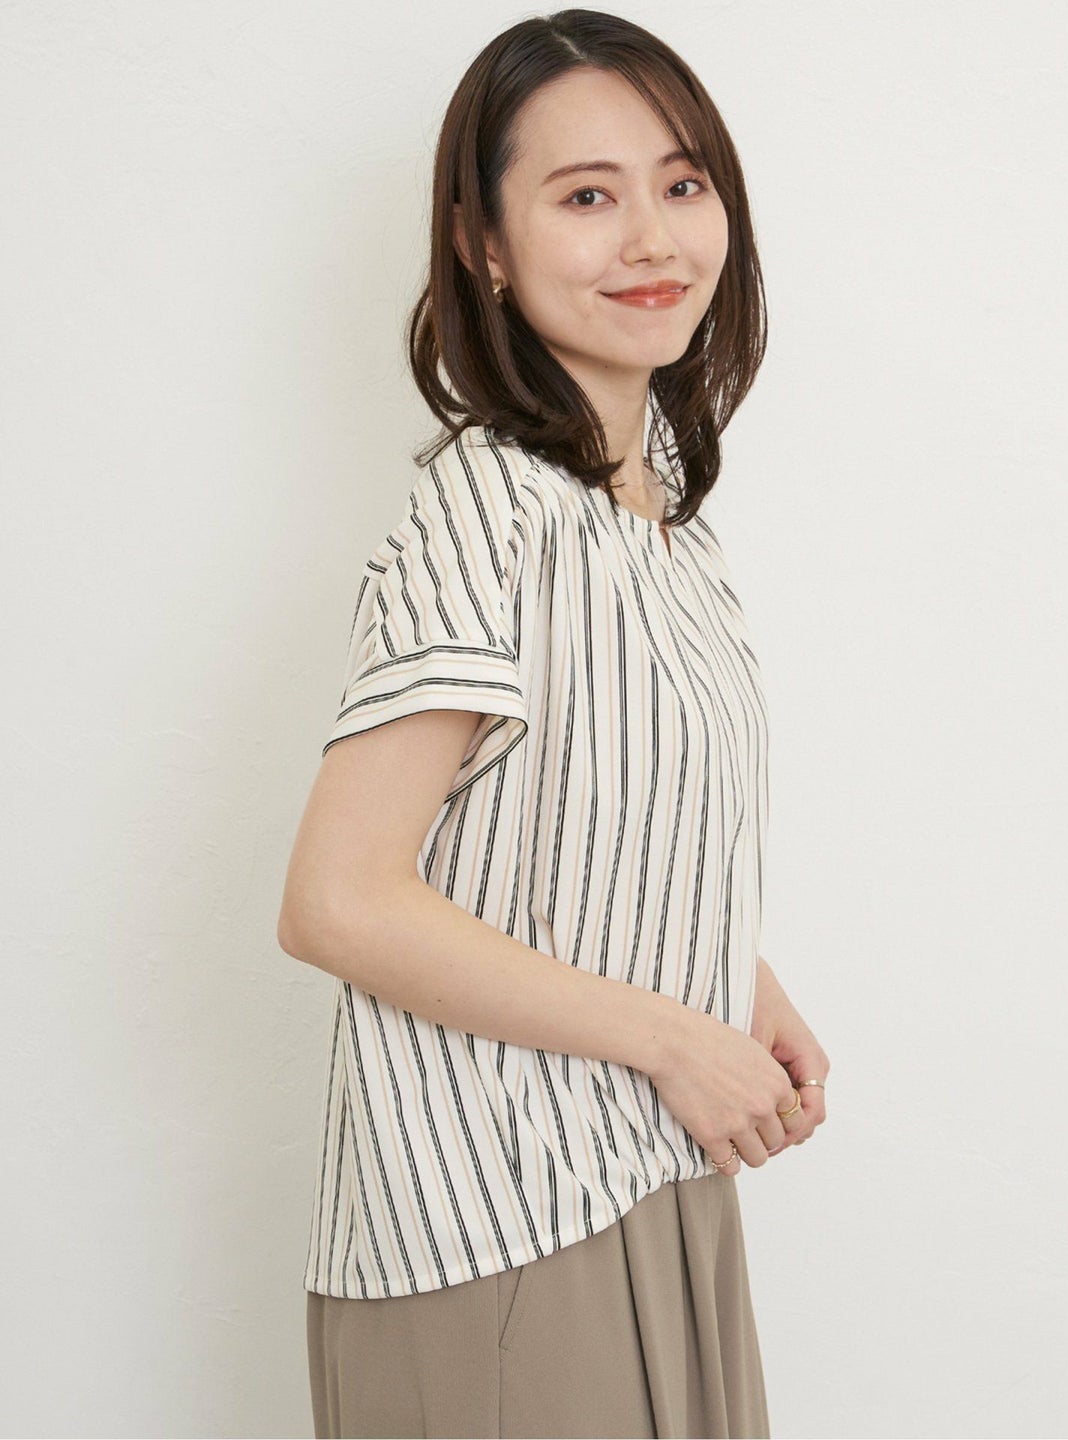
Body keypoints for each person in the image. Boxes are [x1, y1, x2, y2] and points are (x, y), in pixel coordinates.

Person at [278, 9, 831, 1437]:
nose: (652, 238)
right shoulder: (487, 511)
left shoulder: (657, 522)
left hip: (640, 1170)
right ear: (485, 244)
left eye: (682, 183)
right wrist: (675, 1040)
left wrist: (735, 983)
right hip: (494, 1212)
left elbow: (583, 826)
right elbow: (340, 900)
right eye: (587, 196)